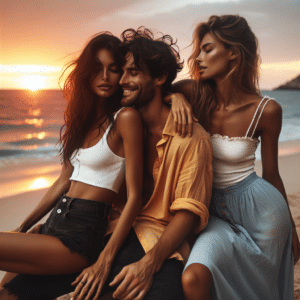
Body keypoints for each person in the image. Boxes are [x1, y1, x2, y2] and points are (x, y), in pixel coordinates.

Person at [67, 27, 213, 300]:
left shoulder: (192, 139)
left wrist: (150, 263)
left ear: (160, 78)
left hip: (157, 239)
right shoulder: (120, 123)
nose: (121, 80)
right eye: (122, 71)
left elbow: (188, 212)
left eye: (132, 72)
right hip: (109, 229)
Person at [0, 32, 144, 300]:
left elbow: (135, 196)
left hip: (80, 235)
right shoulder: (84, 121)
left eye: (113, 69)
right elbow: (63, 181)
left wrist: (105, 260)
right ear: (85, 74)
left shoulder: (125, 118)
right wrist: (24, 225)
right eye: (97, 69)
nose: (105, 77)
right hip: (55, 223)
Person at [167, 15, 300, 300]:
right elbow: (158, 93)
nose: (199, 57)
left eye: (208, 49)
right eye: (200, 50)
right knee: (194, 277)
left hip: (262, 212)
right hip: (211, 210)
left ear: (233, 54)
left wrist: (292, 228)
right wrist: (175, 99)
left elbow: (272, 175)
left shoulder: (267, 110)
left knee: (261, 289)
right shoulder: (191, 93)